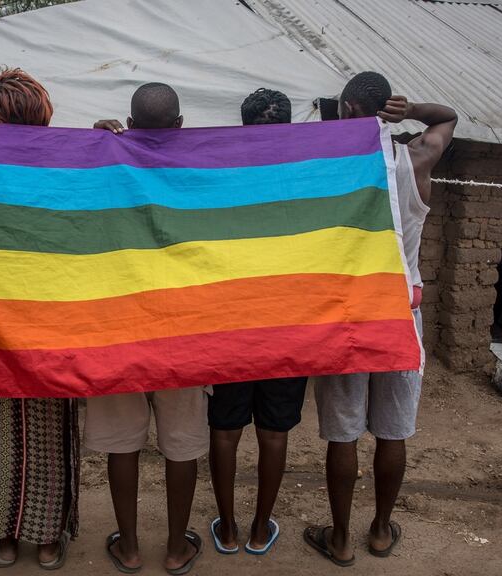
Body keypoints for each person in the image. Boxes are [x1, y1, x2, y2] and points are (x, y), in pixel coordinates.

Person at [304, 71, 457, 567]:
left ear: (347, 111)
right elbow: (447, 117)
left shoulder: (330, 171)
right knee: (392, 433)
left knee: (343, 433)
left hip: (347, 316)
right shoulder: (415, 162)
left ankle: (341, 538)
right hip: (399, 314)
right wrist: (411, 111)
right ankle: (380, 530)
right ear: (389, 111)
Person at [87, 82, 205, 575]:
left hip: (120, 330)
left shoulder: (107, 165)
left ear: (129, 125)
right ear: (180, 126)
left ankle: (130, 547)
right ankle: (177, 548)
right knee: (181, 442)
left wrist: (94, 141)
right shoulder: (199, 169)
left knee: (122, 442)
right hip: (185, 330)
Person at [0, 68, 78, 571]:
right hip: (41, 316)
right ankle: (45, 536)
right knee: (47, 431)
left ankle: (6, 535)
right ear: (45, 115)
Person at [206, 88, 308, 557]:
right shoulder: (306, 178)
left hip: (230, 325)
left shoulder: (222, 174)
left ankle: (226, 528)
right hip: (289, 326)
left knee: (225, 432)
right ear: (287, 127)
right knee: (274, 432)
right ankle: (259, 527)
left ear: (243, 125)